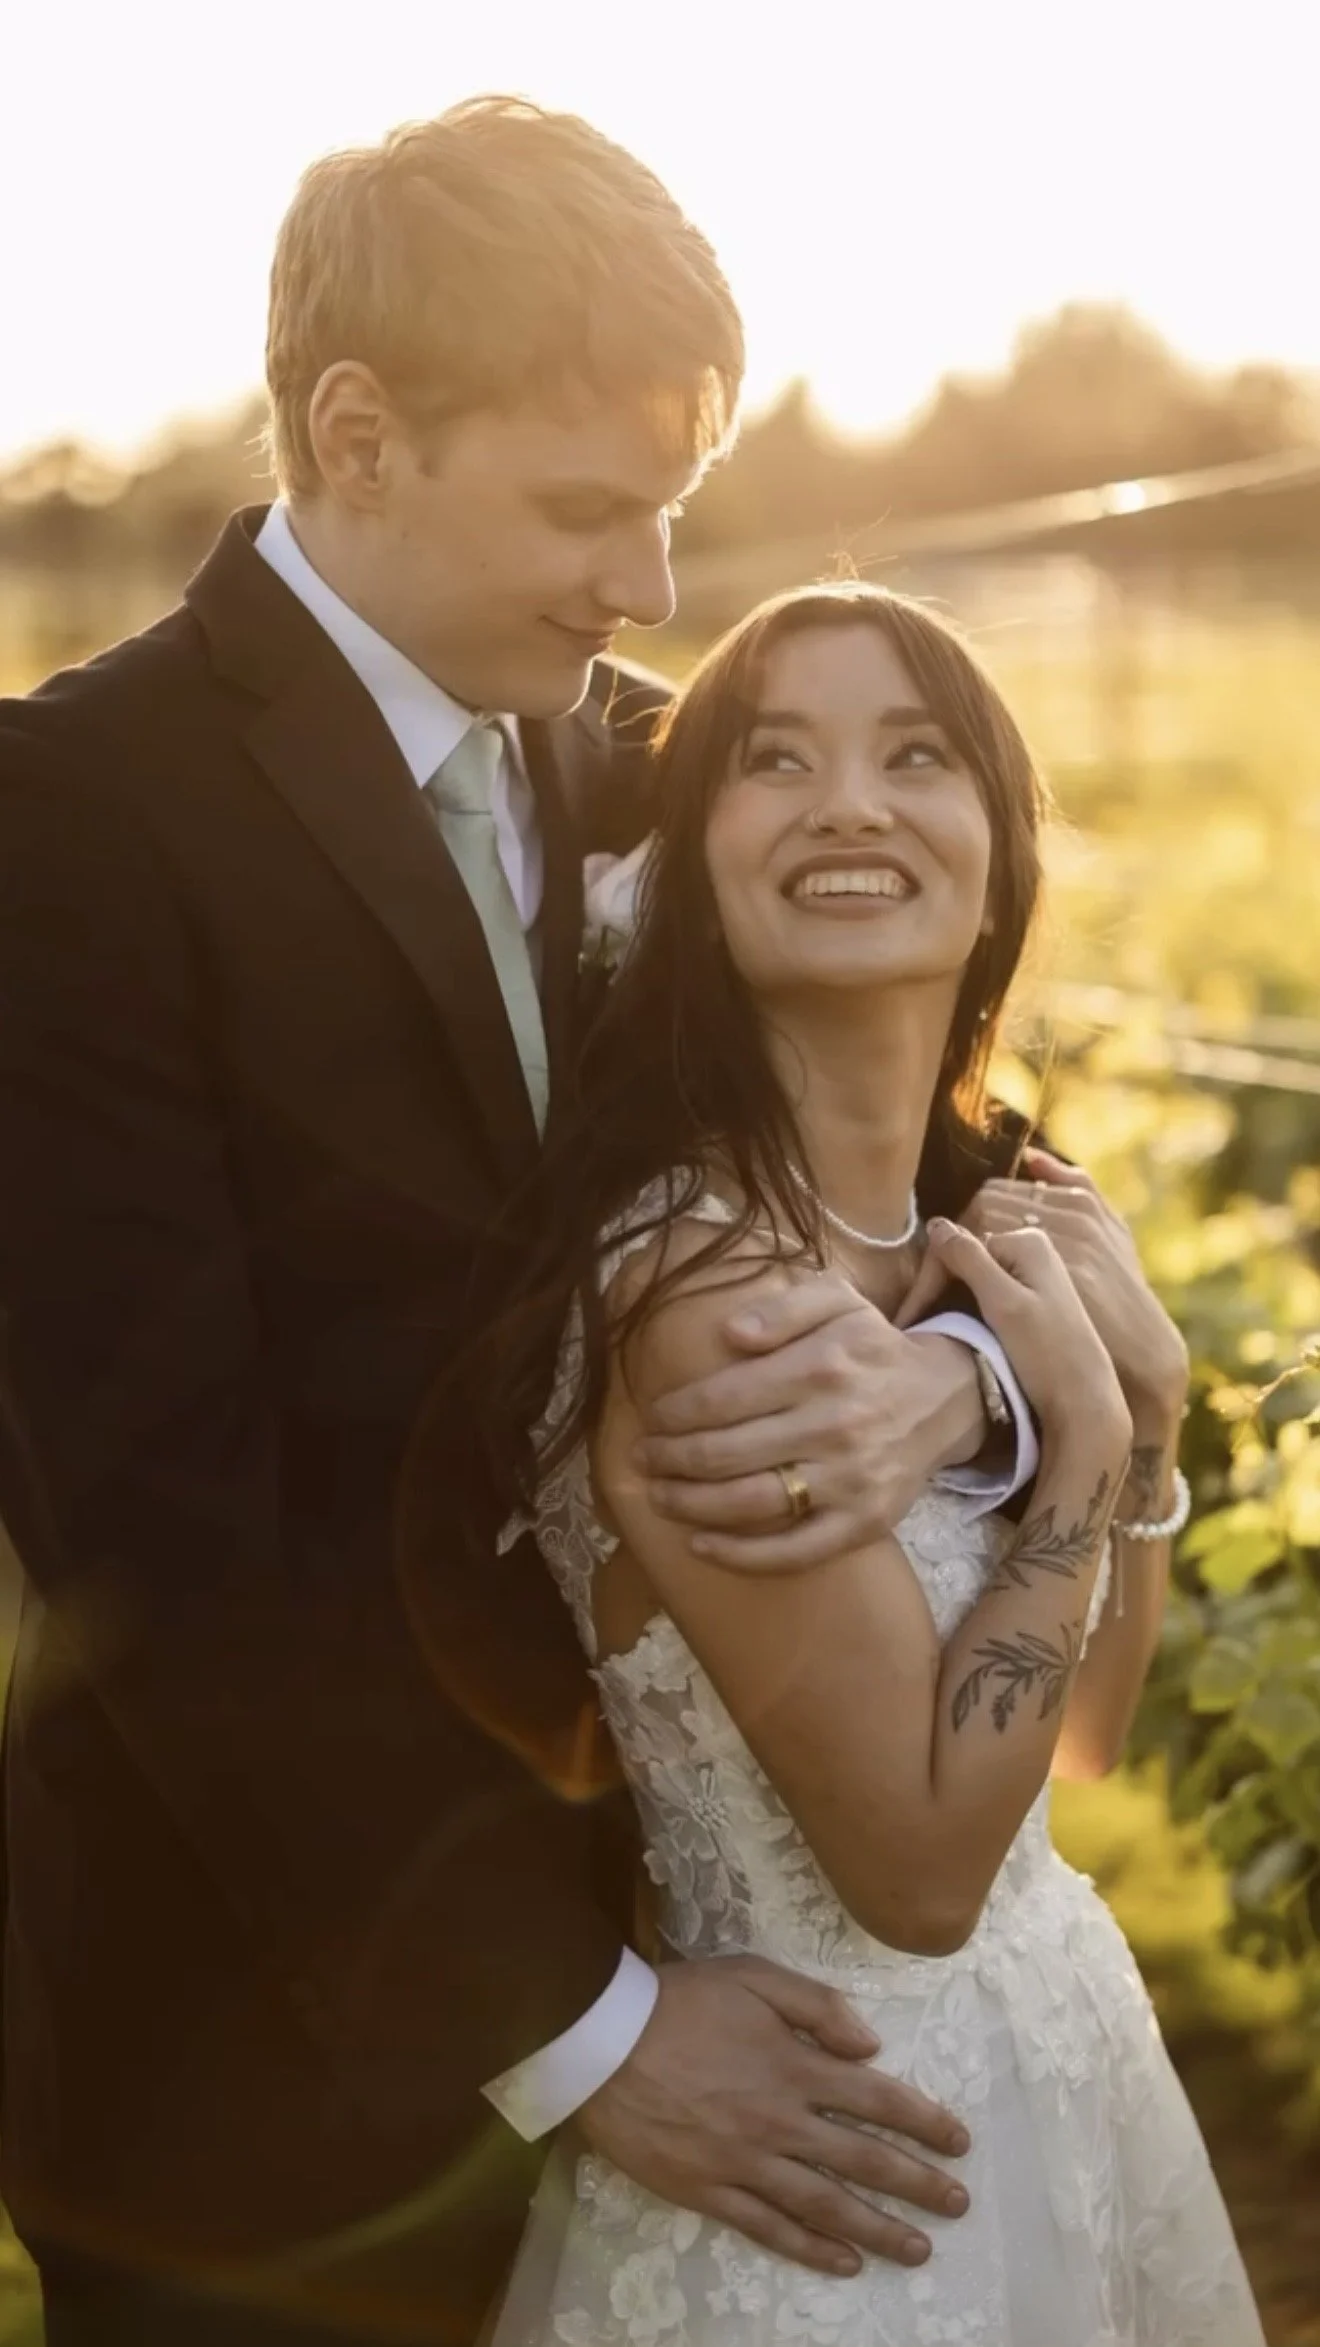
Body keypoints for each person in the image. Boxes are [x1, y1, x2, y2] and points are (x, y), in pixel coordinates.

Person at [0, 103, 1038, 2347]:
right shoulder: (69, 830)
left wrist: (971, 1366)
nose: (654, 589)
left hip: (724, 1945)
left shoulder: (652, 764)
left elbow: (967, 1149)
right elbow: (158, 1536)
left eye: (672, 510)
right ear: (358, 435)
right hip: (273, 2079)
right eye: (590, 511)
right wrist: (580, 2032)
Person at [476, 582, 1264, 2344]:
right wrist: (1081, 1464)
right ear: (690, 860)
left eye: (918, 756)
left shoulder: (998, 1235)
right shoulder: (704, 1296)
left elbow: (1083, 1737)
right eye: (777, 760)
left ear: (999, 855)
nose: (851, 802)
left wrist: (1136, 1423)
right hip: (839, 2172)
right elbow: (914, 1877)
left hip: (1054, 2075)